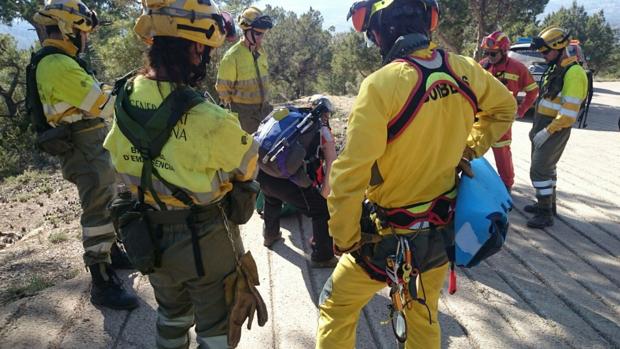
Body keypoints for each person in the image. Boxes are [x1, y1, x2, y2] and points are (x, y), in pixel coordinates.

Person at [316, 1, 516, 348]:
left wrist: (345, 236)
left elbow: (350, 175)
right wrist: (469, 147)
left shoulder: (381, 85)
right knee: (423, 318)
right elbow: (505, 107)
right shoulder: (464, 70)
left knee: (337, 307)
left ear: (379, 32)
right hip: (439, 235)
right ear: (427, 22)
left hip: (385, 238)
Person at [104, 1, 262, 347]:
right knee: (218, 326)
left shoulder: (125, 97)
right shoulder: (209, 117)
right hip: (205, 240)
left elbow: (115, 156)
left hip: (148, 234)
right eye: (205, 50)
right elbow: (249, 162)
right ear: (194, 48)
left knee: (171, 314)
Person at [29, 0, 138, 310]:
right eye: (81, 31)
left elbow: (91, 95)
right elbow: (100, 104)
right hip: (84, 145)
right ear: (67, 29)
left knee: (107, 200)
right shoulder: (57, 64)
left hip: (90, 140)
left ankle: (112, 254)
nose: (85, 38)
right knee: (97, 210)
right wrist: (128, 90)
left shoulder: (63, 61)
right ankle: (101, 281)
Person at [257, 95, 338, 268]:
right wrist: (324, 191)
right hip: (289, 181)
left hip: (264, 173)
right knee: (320, 210)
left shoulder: (290, 117)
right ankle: (323, 256)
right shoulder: (321, 129)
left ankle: (270, 235)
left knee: (272, 199)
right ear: (325, 114)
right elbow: (332, 163)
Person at [525, 27, 588, 228]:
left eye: (545, 51)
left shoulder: (574, 73)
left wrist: (548, 130)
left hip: (556, 128)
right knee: (547, 168)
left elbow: (568, 113)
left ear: (559, 47)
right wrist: (537, 129)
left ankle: (545, 214)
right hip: (543, 124)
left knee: (540, 169)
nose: (543, 56)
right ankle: (548, 204)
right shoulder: (556, 67)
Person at [479, 31, 539, 192]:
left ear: (504, 51)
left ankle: (506, 185)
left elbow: (533, 91)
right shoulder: (483, 65)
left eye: (493, 53)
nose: (489, 56)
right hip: (481, 116)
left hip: (502, 119)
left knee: (502, 152)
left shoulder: (517, 68)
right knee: (473, 149)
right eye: (487, 53)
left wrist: (520, 111)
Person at [216, 6, 273, 133]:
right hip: (244, 118)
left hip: (264, 111)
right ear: (246, 29)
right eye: (258, 33)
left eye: (263, 33)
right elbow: (223, 91)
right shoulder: (232, 57)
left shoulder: (261, 52)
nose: (261, 38)